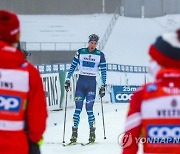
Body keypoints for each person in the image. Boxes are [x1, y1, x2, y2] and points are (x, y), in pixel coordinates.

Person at [122, 29, 180, 153]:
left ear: (162, 62)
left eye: (152, 59)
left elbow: (129, 143)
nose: (149, 63)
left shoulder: (142, 95)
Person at [0, 10, 48, 154]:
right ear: (17, 36)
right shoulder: (29, 73)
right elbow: (37, 120)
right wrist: (34, 139)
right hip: (16, 146)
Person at [64, 34, 107, 143]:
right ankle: (74, 135)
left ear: (96, 44)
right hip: (81, 83)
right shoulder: (80, 52)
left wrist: (103, 86)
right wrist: (67, 79)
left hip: (91, 84)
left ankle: (92, 134)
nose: (93, 45)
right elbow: (73, 66)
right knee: (77, 110)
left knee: (89, 110)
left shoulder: (100, 55)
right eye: (91, 43)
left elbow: (103, 72)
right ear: (88, 42)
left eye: (95, 43)